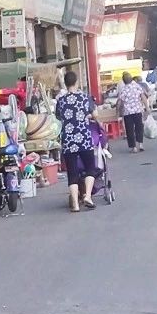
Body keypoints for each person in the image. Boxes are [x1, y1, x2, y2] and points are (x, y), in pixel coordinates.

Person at [55, 69, 98, 211]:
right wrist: (86, 117)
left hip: (68, 140)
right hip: (84, 138)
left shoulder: (60, 101)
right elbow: (95, 115)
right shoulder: (85, 98)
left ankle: (74, 204)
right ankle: (87, 196)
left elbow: (58, 117)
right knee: (90, 168)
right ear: (77, 82)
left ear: (65, 84)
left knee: (72, 173)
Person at [116, 71, 147, 152]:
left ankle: (133, 147)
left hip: (127, 113)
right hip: (138, 110)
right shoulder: (137, 86)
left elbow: (119, 102)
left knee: (130, 129)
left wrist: (118, 112)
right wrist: (147, 107)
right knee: (139, 127)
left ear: (124, 81)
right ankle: (140, 144)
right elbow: (143, 97)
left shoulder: (124, 89)